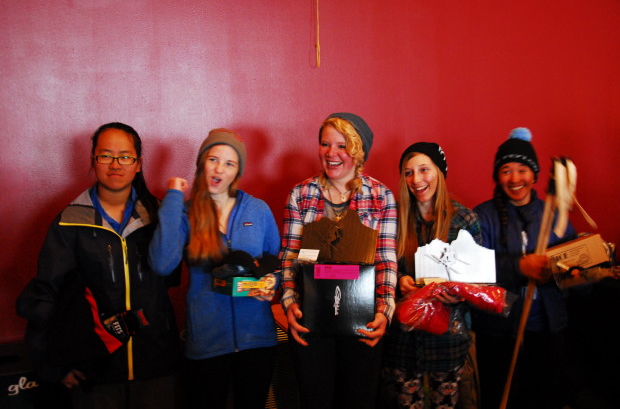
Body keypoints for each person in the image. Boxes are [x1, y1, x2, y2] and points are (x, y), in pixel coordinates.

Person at [16, 122, 181, 409]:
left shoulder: (160, 216)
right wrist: (52, 366)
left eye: (125, 156)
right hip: (95, 368)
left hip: (157, 365)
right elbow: (46, 294)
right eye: (105, 155)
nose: (115, 164)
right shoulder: (69, 222)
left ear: (138, 164)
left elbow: (171, 278)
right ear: (93, 160)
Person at [148, 128, 281, 409]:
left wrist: (271, 284)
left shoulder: (257, 210)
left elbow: (276, 262)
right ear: (201, 164)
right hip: (207, 344)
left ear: (237, 172)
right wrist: (172, 198)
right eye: (213, 159)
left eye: (229, 163)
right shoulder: (185, 212)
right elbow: (161, 263)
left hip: (257, 341)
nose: (219, 168)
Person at [280, 112, 398, 409]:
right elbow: (290, 257)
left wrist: (385, 311)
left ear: (358, 151)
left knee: (359, 400)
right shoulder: (301, 194)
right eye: (325, 144)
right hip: (311, 322)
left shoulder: (381, 197)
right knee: (314, 400)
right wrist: (289, 301)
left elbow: (386, 260)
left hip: (363, 322)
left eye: (342, 146)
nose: (331, 153)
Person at [473, 127, 577, 409]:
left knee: (544, 398)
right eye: (507, 170)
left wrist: (576, 272)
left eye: (522, 170)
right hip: (498, 332)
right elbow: (471, 269)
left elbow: (575, 266)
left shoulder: (554, 215)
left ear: (534, 174)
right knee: (502, 398)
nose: (515, 179)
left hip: (548, 329)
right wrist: (520, 266)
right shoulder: (481, 217)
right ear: (497, 176)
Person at [381, 142, 482, 409]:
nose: (417, 179)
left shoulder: (465, 221)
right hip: (403, 342)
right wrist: (399, 280)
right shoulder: (394, 219)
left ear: (439, 172)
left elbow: (480, 283)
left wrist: (459, 295)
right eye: (408, 172)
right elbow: (382, 268)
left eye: (424, 170)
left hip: (448, 343)